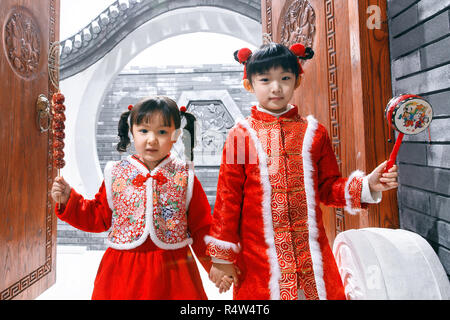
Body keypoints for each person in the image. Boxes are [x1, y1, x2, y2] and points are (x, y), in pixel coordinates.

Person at [205, 43, 399, 300]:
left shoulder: (314, 133)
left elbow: (327, 188)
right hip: (259, 260)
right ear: (249, 84)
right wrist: (222, 258)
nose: (276, 88)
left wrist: (367, 185)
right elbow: (228, 200)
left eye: (285, 78)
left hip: (312, 256)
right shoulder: (240, 136)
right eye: (265, 80)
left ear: (297, 81)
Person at [51, 96, 212, 300]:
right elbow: (97, 216)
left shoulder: (184, 176)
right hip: (122, 271)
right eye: (143, 131)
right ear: (132, 132)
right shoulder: (116, 173)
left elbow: (202, 227)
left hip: (174, 271)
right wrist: (68, 200)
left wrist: (217, 266)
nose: (151, 139)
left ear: (176, 135)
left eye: (162, 132)